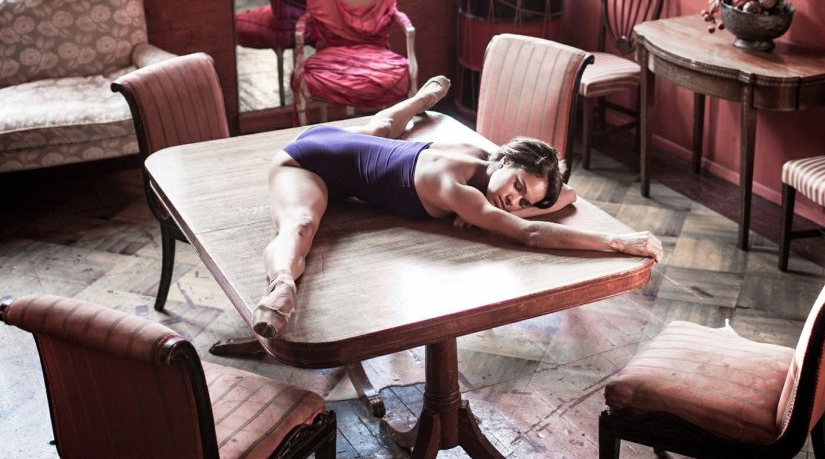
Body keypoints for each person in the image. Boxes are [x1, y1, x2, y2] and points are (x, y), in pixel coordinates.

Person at [252, 76, 663, 339]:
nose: (513, 201)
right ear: (505, 160)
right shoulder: (461, 191)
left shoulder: (479, 155)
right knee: (301, 224)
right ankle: (281, 286)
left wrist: (517, 208)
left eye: (524, 200)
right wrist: (616, 241)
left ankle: (422, 99)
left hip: (347, 142)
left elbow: (566, 194)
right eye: (517, 186)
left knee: (381, 129)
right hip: (306, 161)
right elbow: (530, 235)